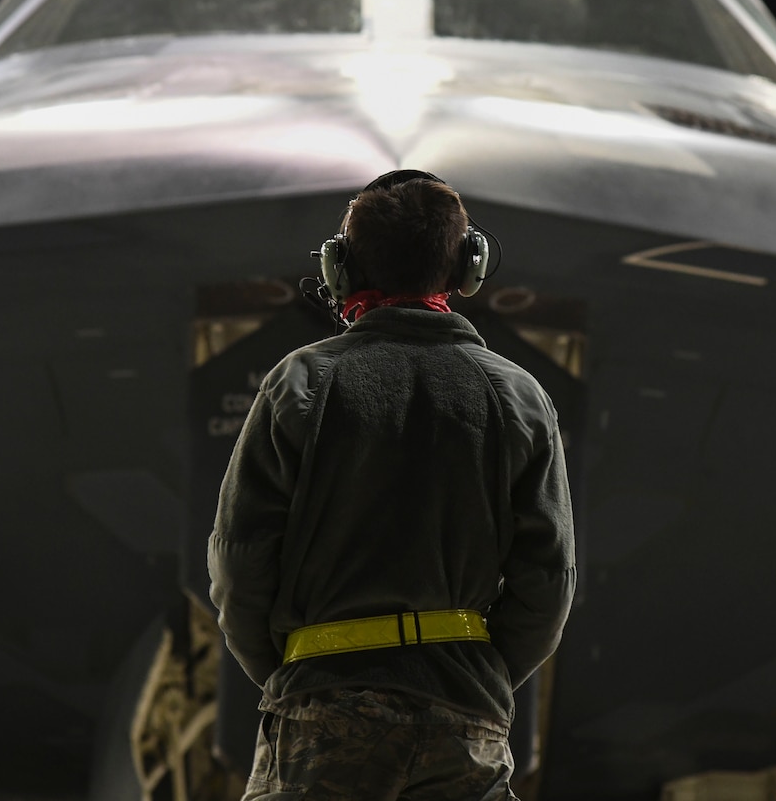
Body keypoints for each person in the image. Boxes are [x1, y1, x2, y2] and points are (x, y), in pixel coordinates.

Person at [208, 170, 576, 799]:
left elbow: (242, 565)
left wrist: (296, 672)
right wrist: (478, 676)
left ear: (340, 269)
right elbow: (547, 580)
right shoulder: (519, 396)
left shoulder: (299, 383)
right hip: (465, 716)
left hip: (322, 706)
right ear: (468, 266)